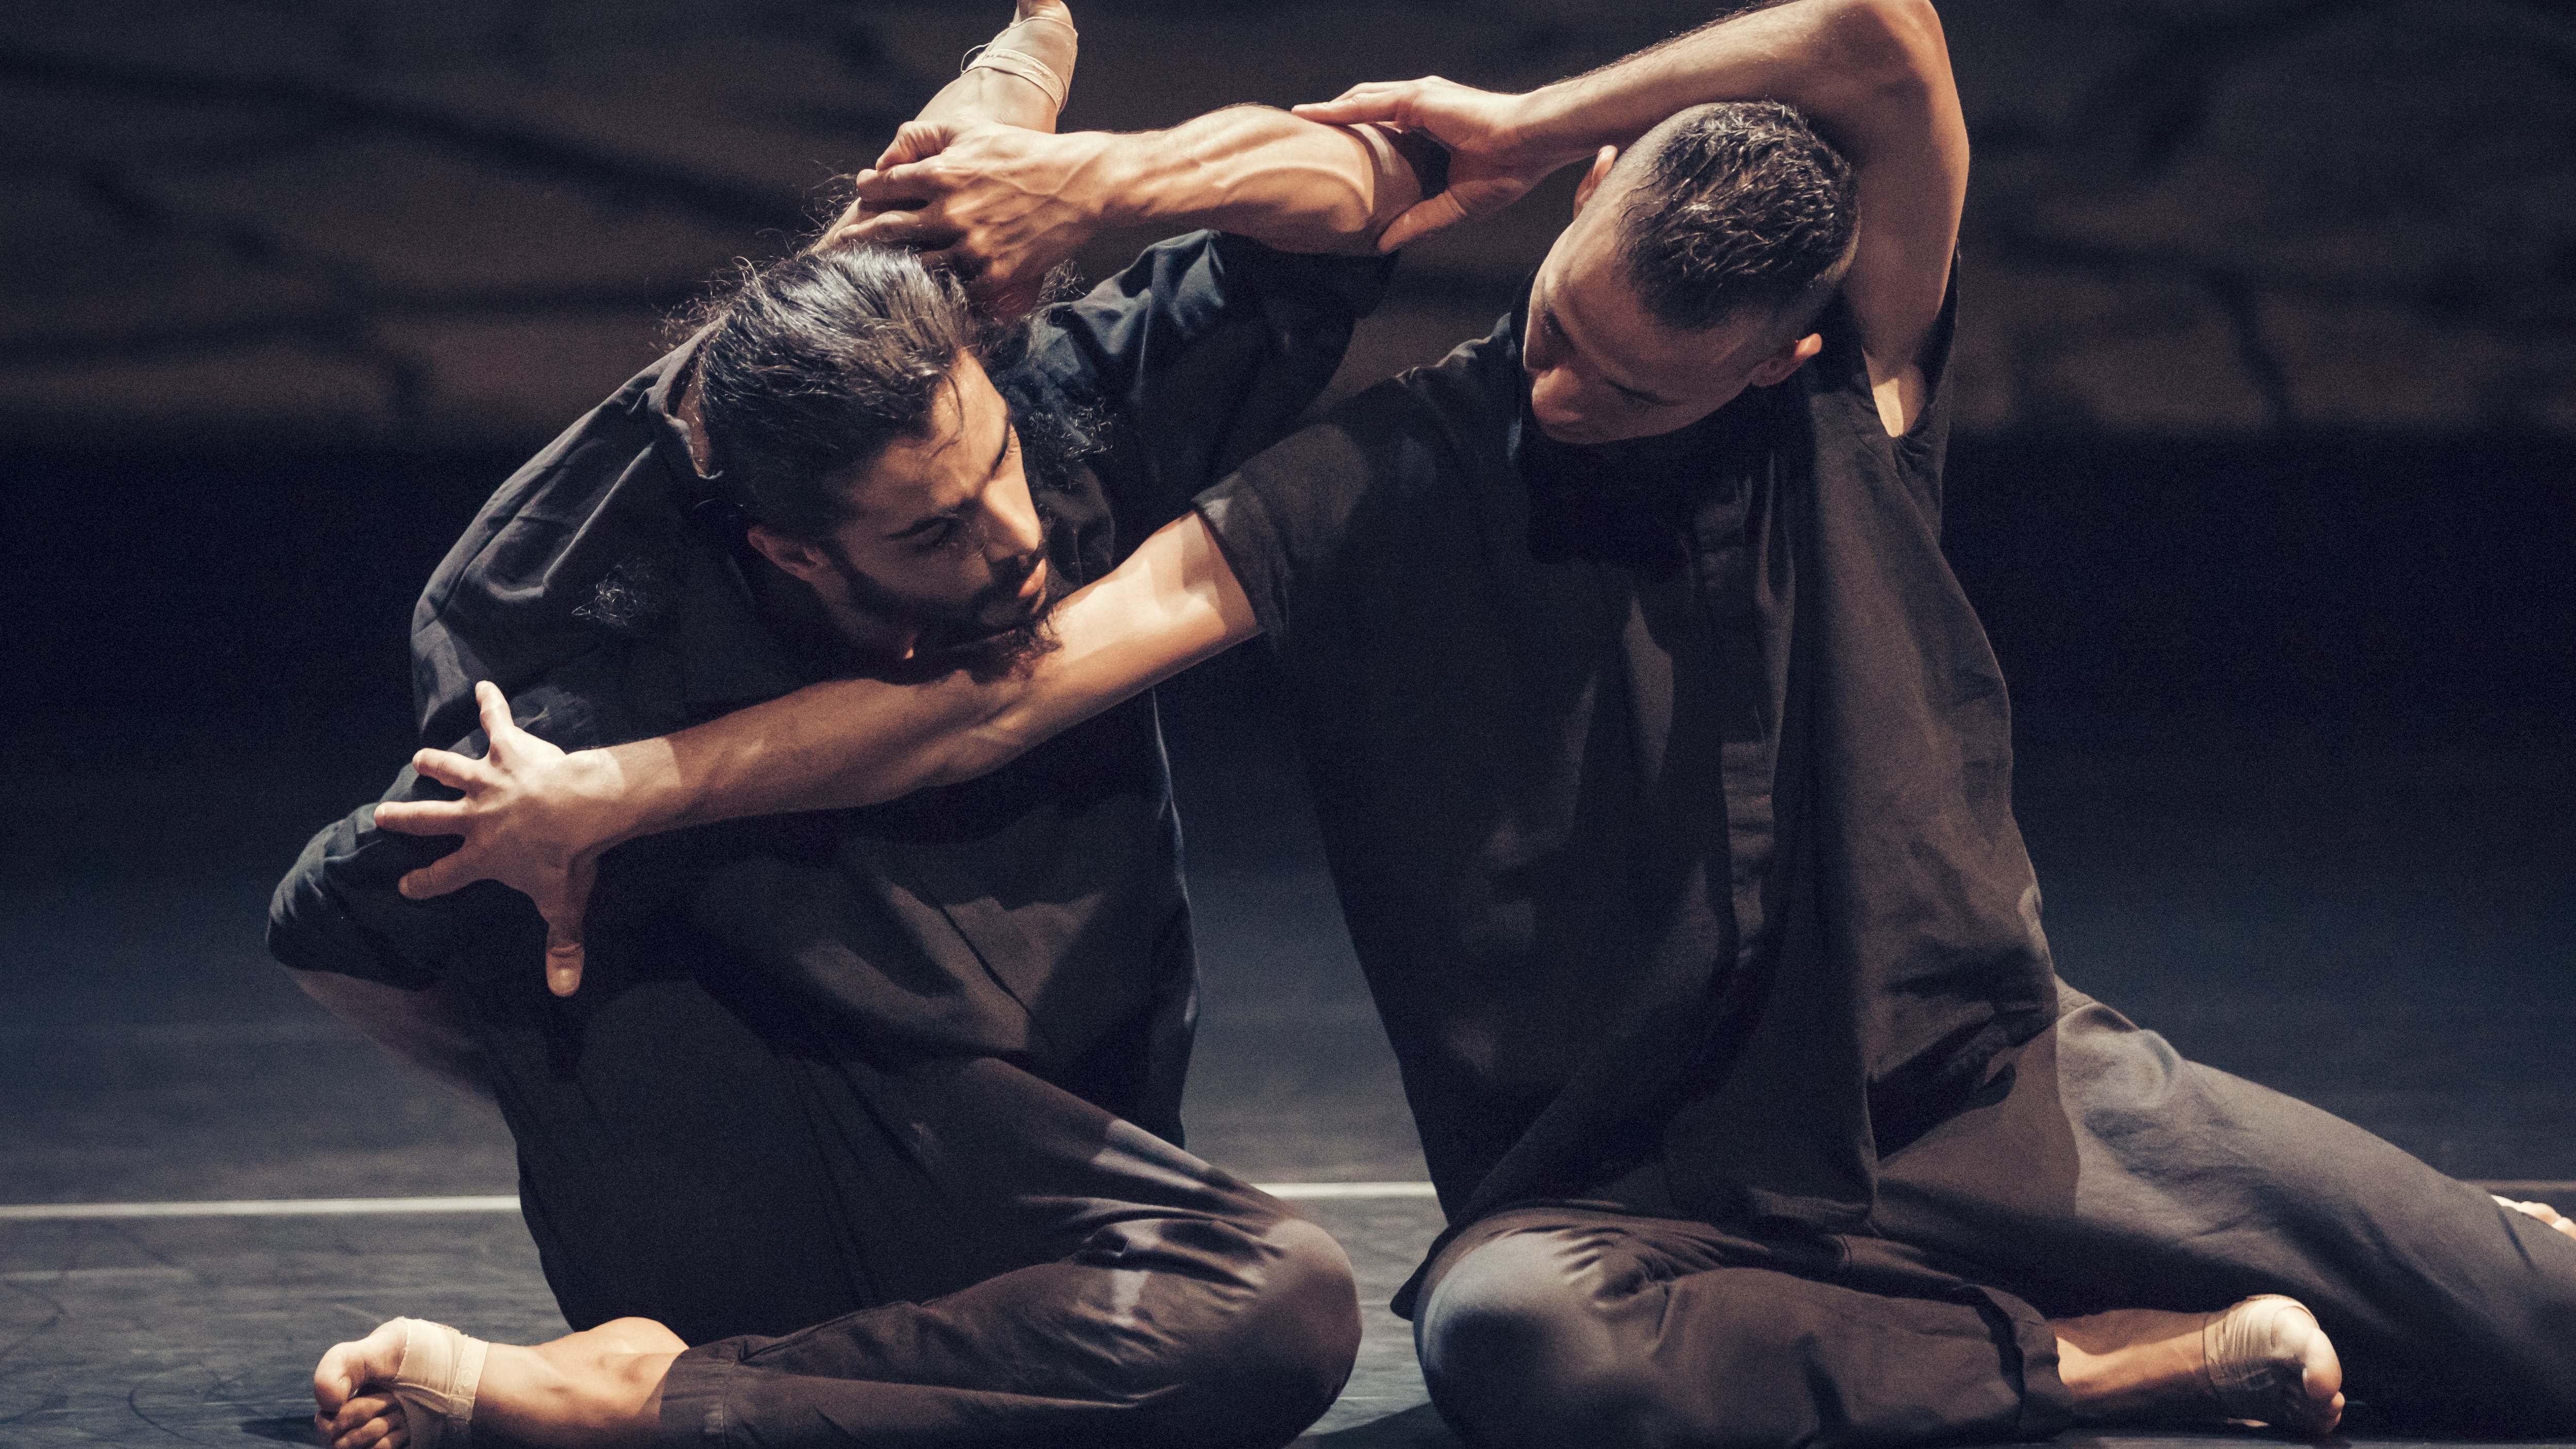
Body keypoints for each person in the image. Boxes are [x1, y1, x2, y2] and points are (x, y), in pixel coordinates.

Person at [364, 1, 2576, 1446]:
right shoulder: (1368, 484)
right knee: (1514, 1350)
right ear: (1572, 237)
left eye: (1618, 384)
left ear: (1784, 360)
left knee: (2515, 1318)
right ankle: (2093, 1376)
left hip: (1999, 1098)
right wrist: (624, 789)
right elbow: (987, 704)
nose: (1548, 387)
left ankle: (2111, 1336)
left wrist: (1534, 117)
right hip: (1632, 1201)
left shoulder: (1866, 412)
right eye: (1550, 321)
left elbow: (1881, 38)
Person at [272, 6, 1458, 1446]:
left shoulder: (1075, 416)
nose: (1012, 537)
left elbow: (1363, 194)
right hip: (741, 1184)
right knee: (441, 845)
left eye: (997, 464)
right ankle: (694, 1375)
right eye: (936, 528)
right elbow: (338, 905)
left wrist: (1107, 179)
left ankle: (651, 1400)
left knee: (1281, 1303)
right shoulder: (651, 602)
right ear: (796, 552)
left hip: (1026, 1166)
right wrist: (582, 1079)